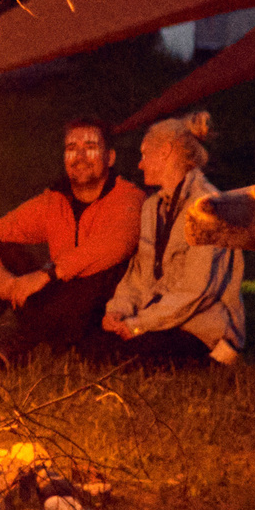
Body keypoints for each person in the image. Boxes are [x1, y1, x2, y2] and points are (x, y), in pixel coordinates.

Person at [0, 116, 145, 363]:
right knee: (4, 252)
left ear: (109, 158)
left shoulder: (130, 199)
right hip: (56, 305)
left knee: (104, 271)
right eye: (71, 149)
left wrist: (47, 274)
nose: (79, 157)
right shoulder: (55, 201)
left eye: (90, 148)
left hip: (103, 314)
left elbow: (114, 246)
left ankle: (23, 344)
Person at [100, 111, 245, 368]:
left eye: (145, 154)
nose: (140, 164)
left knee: (129, 360)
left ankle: (218, 360)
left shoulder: (208, 207)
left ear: (166, 151)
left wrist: (138, 325)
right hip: (159, 319)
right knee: (97, 347)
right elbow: (139, 275)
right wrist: (119, 309)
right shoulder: (152, 207)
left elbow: (196, 292)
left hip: (201, 327)